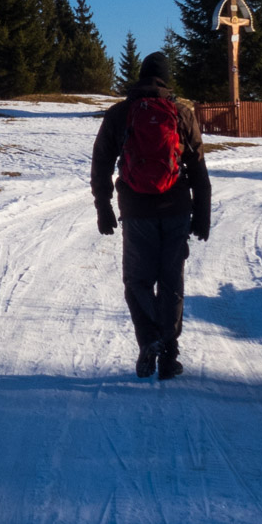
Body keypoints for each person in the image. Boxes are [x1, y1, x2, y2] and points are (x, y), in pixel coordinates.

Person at [91, 51, 211, 379]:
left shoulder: (120, 113)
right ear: (165, 80)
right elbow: (198, 169)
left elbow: (101, 161)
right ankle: (169, 358)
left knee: (137, 281)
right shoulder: (180, 113)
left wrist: (103, 206)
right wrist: (202, 214)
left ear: (140, 77)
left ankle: (149, 340)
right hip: (175, 210)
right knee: (171, 282)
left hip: (136, 210)